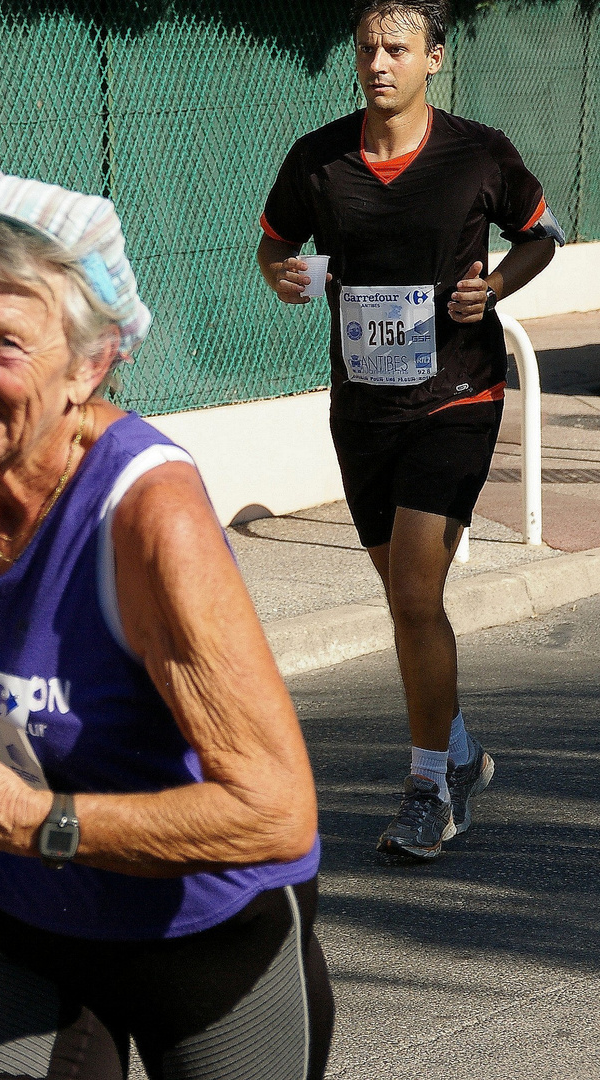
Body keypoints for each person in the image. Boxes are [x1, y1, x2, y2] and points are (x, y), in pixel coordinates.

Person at [0, 167, 334, 1080]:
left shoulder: (147, 514)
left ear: (90, 359)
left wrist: (42, 822)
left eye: (3, 343)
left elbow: (277, 811)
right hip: (13, 921)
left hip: (201, 942)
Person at [258, 0, 564, 860]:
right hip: (360, 408)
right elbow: (278, 242)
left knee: (413, 595)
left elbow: (540, 233)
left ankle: (430, 786)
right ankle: (460, 753)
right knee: (402, 598)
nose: (377, 63)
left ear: (435, 57)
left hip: (457, 396)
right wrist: (284, 275)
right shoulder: (318, 159)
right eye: (364, 48)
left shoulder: (478, 152)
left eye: (397, 48)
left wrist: (496, 287)